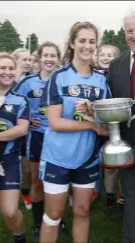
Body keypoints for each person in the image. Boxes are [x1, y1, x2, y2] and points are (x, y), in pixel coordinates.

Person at [39, 22, 109, 243]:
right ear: (72, 43)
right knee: (53, 215)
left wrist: (93, 114)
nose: (87, 46)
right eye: (82, 41)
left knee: (82, 212)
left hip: (87, 159)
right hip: (57, 158)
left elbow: (105, 124)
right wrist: (90, 125)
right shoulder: (59, 77)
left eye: (91, 41)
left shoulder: (101, 80)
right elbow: (55, 122)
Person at [14, 41, 67, 242]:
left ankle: (57, 218)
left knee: (59, 181)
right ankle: (38, 223)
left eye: (53, 56)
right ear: (39, 58)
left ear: (58, 59)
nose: (49, 59)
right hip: (37, 137)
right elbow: (14, 102)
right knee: (37, 181)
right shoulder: (27, 83)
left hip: (60, 137)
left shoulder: (63, 80)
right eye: (46, 55)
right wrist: (26, 119)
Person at [0, 52, 30, 243]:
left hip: (8, 160)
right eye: (3, 67)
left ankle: (19, 237)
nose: (7, 72)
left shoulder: (20, 99)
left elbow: (22, 129)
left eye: (11, 68)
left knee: (10, 212)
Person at [107, 8, 135, 243]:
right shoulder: (116, 65)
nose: (133, 35)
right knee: (132, 199)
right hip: (128, 145)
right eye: (129, 31)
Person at [93, 44, 122, 209]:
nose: (105, 57)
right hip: (96, 126)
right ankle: (105, 193)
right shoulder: (93, 76)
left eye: (109, 55)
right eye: (102, 54)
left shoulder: (119, 75)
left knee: (114, 164)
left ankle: (118, 196)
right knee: (99, 161)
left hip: (115, 124)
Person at [12, 48, 32, 209]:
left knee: (27, 167)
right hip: (9, 127)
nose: (27, 62)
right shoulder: (7, 79)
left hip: (27, 128)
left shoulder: (31, 80)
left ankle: (25, 192)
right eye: (23, 59)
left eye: (29, 59)